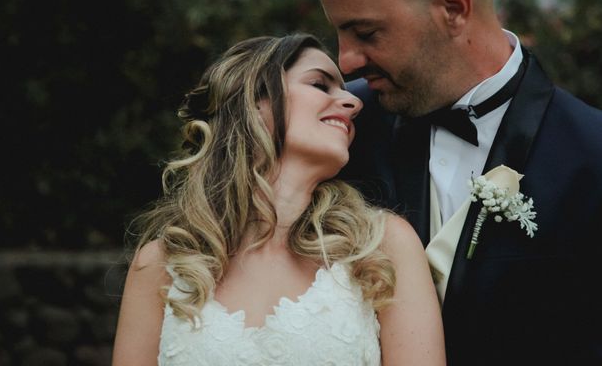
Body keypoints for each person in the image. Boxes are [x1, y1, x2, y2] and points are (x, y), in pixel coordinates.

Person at [300, 0, 602, 365]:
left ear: (453, 8)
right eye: (339, 33)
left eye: (366, 32)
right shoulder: (335, 130)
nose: (346, 60)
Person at [111, 33, 445, 365]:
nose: (354, 103)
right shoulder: (161, 264)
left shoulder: (381, 245)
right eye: (319, 84)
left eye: (343, 90)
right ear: (254, 103)